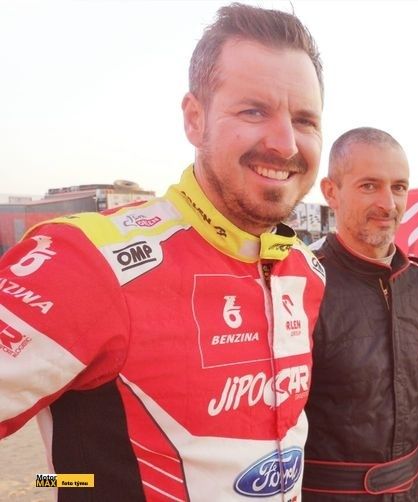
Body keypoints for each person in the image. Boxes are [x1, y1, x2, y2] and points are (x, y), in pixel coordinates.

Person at [0, 4, 326, 501]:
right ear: (195, 119)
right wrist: (61, 483)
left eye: (304, 120)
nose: (285, 143)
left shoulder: (305, 269)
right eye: (254, 111)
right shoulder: (87, 260)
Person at [302, 127, 418, 501]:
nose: (388, 203)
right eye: (369, 186)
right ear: (331, 192)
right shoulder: (301, 282)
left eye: (399, 187)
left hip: (413, 491)